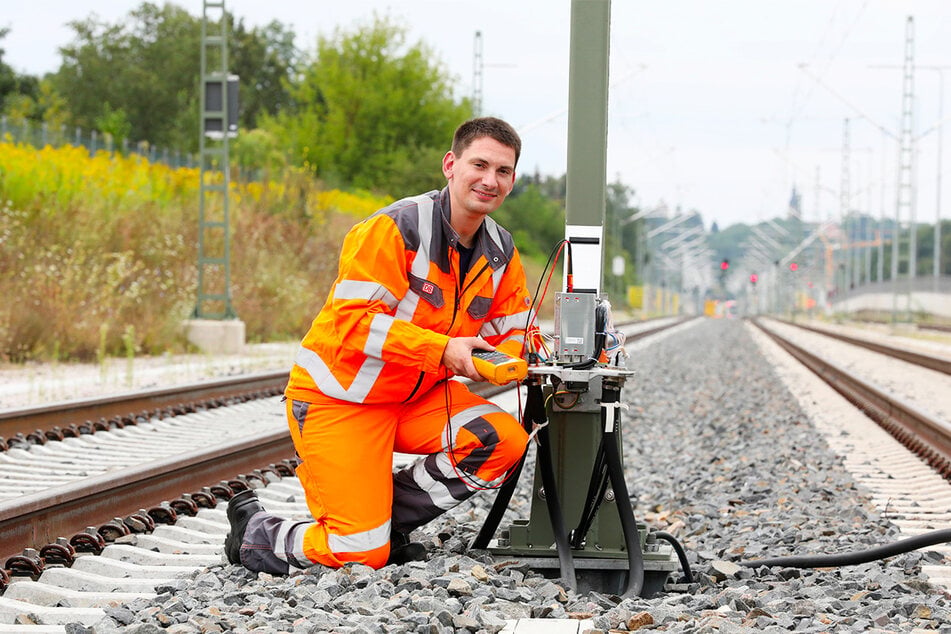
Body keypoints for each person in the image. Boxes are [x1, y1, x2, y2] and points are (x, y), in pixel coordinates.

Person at [225, 117, 534, 573]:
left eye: (502, 171)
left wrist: (541, 354)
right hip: (340, 398)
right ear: (451, 165)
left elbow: (514, 332)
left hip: (414, 399)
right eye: (479, 165)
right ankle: (257, 532)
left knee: (502, 441)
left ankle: (386, 521)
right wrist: (445, 351)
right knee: (359, 553)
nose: (490, 180)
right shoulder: (396, 229)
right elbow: (353, 322)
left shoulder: (500, 251)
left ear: (511, 180)